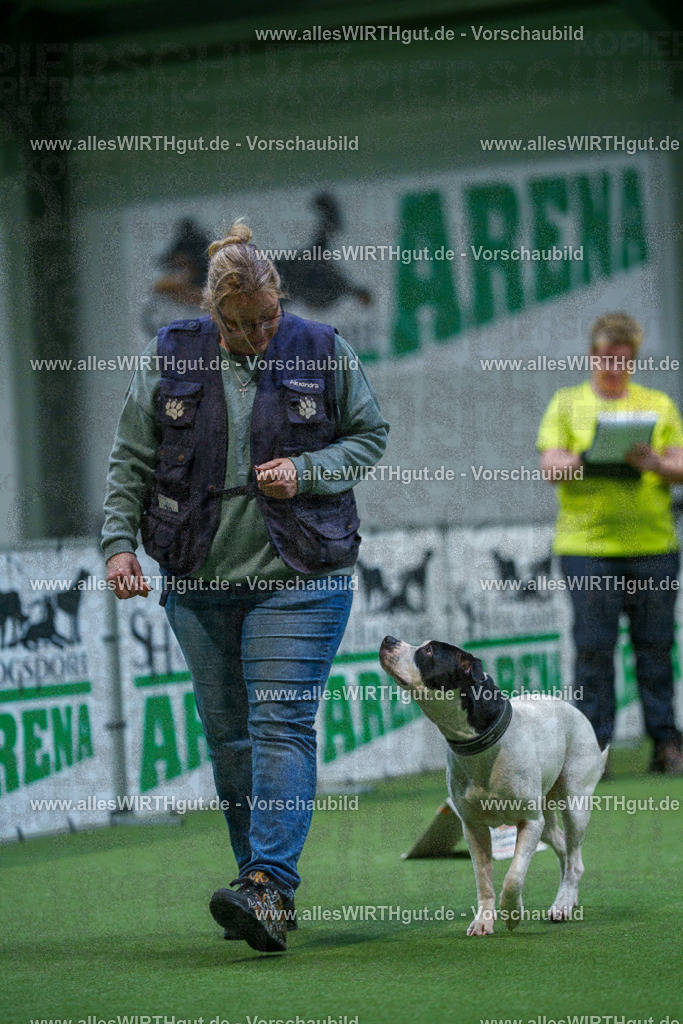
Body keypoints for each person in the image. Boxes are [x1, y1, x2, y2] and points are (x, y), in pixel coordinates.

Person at [102, 220, 389, 952]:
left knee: (279, 724)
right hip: (197, 578)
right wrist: (118, 547)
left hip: (300, 577)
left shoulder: (323, 350)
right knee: (229, 742)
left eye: (266, 320)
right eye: (238, 326)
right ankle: (259, 888)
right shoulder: (170, 356)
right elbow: (130, 459)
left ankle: (268, 882)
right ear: (210, 312)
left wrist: (309, 471)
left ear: (279, 299)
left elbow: (368, 437)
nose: (257, 336)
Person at [537, 313, 683, 775]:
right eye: (604, 358)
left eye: (622, 360)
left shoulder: (657, 404)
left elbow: (680, 466)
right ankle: (590, 750)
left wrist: (653, 462)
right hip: (587, 547)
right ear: (592, 355)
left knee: (656, 645)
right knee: (594, 647)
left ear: (633, 360)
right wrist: (587, 456)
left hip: (653, 546)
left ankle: (664, 742)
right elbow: (550, 466)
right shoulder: (566, 403)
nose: (613, 367)